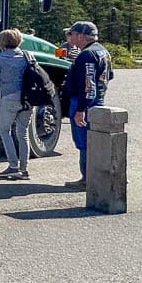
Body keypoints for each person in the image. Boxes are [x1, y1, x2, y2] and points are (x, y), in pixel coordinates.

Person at [61, 20, 114, 189]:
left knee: (84, 143)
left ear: (81, 36)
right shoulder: (103, 51)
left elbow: (89, 85)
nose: (70, 38)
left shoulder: (87, 55)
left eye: (72, 34)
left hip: (84, 102)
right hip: (98, 100)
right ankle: (95, 176)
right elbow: (110, 75)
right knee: (95, 140)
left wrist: (81, 109)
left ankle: (86, 178)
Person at [0, 28, 31, 179]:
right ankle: (24, 169)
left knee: (4, 131)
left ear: (2, 43)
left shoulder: (0, 59)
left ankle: (13, 166)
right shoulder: (27, 56)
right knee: (22, 132)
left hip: (10, 98)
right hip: (28, 99)